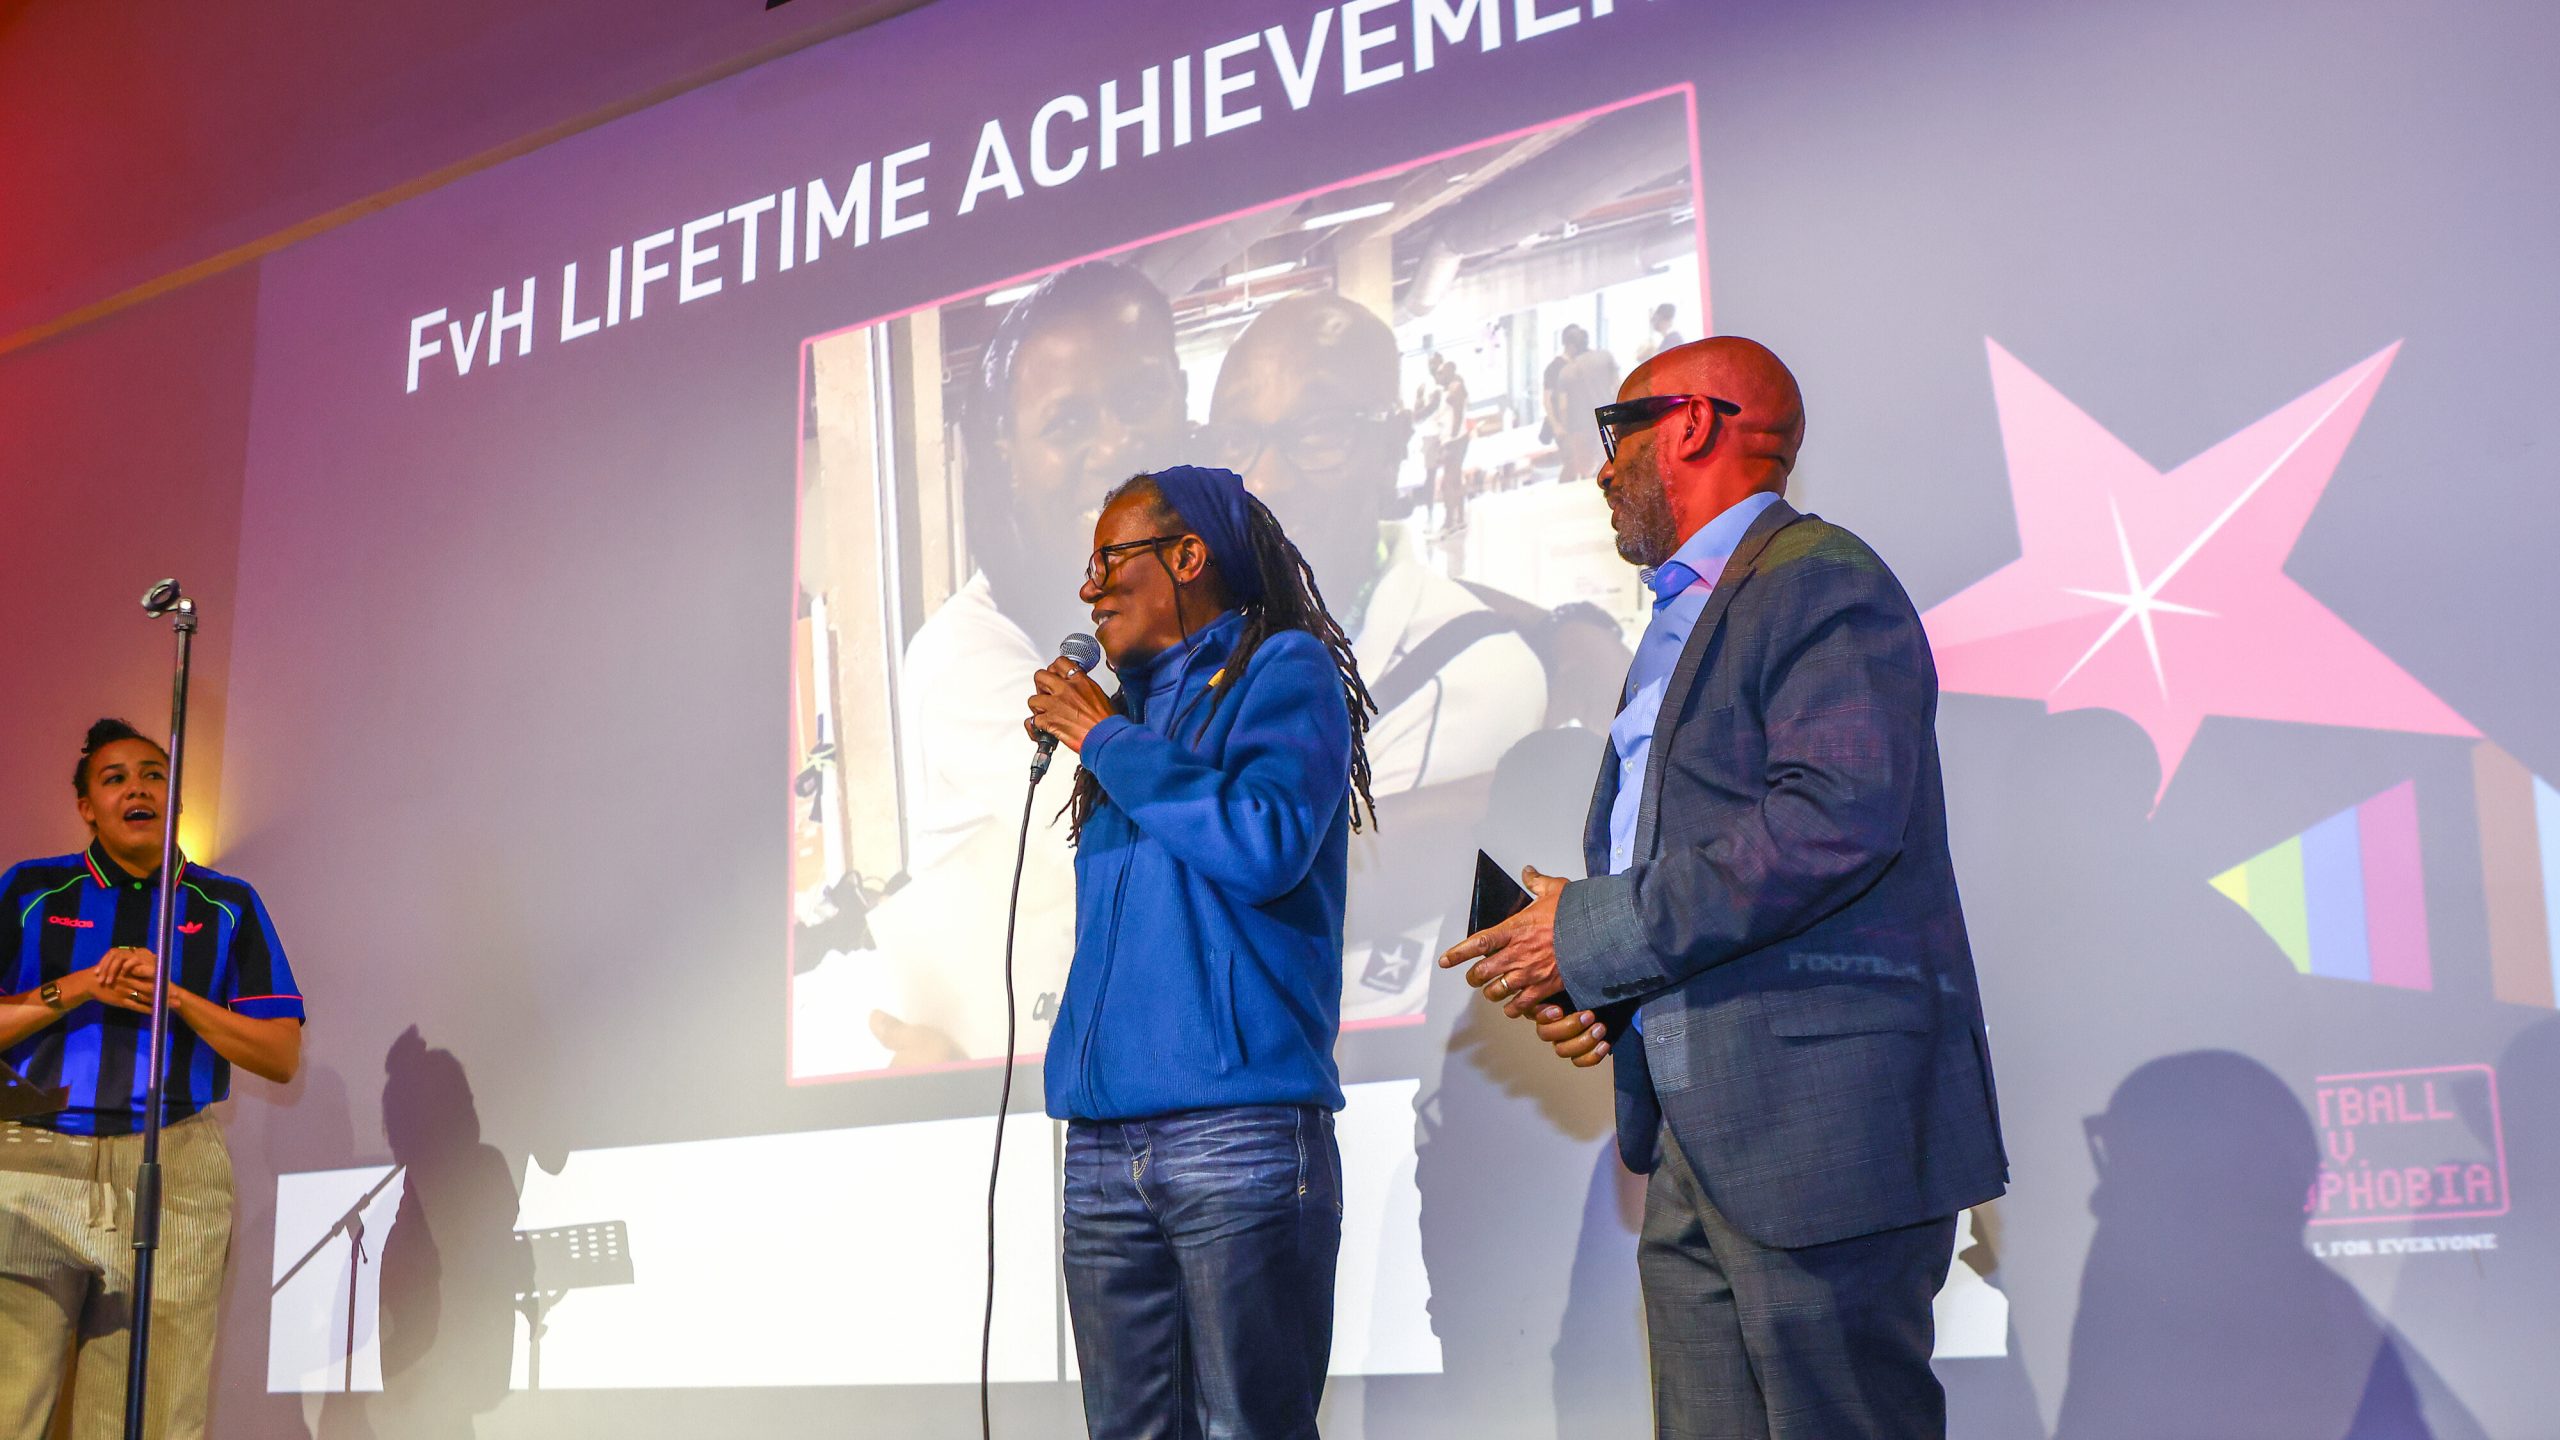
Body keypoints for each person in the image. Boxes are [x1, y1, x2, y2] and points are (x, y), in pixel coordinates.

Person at [1440, 338, 2007, 1440]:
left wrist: (1594, 926)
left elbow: (1831, 822)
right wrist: (1593, 971)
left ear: (1692, 426)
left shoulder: (1821, 581)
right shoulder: (1686, 613)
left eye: (1620, 434)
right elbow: (1715, 853)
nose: (1602, 470)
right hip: (1701, 1128)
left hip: (1817, 1132)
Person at [1024, 464, 1375, 1440]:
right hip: (1103, 1140)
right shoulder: (1125, 725)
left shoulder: (1283, 670)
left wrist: (1104, 738)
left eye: (1111, 559)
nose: (1089, 586)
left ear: (1188, 557)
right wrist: (1111, 736)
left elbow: (1262, 843)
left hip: (1239, 1131)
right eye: (1085, 566)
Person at [796, 261, 1191, 1070]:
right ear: (1008, 454)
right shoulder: (967, 656)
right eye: (1067, 423)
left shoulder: (1218, 605)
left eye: (1140, 400)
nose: (1115, 447)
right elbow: (1166, 847)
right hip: (1040, 1094)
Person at [1202, 293, 1545, 1018]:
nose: (1263, 478)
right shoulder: (1192, 646)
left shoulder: (1471, 668)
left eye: (1319, 431)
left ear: (1391, 446)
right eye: (1236, 440)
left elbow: (1303, 877)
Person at [0, 719, 306, 1440]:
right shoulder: (31, 889)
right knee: (9, 1399)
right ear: (86, 806)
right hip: (31, 1160)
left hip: (175, 1166)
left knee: (152, 1413)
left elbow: (280, 1054)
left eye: (153, 775)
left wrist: (178, 998)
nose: (137, 787)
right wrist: (74, 988)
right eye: (114, 778)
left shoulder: (225, 902)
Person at [1546, 324, 1620, 484]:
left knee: (1587, 474)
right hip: (1607, 419)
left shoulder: (1566, 371)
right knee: (1611, 463)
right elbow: (1618, 385)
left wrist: (1565, 428)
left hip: (1580, 428)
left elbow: (1563, 406)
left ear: (1572, 346)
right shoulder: (1605, 357)